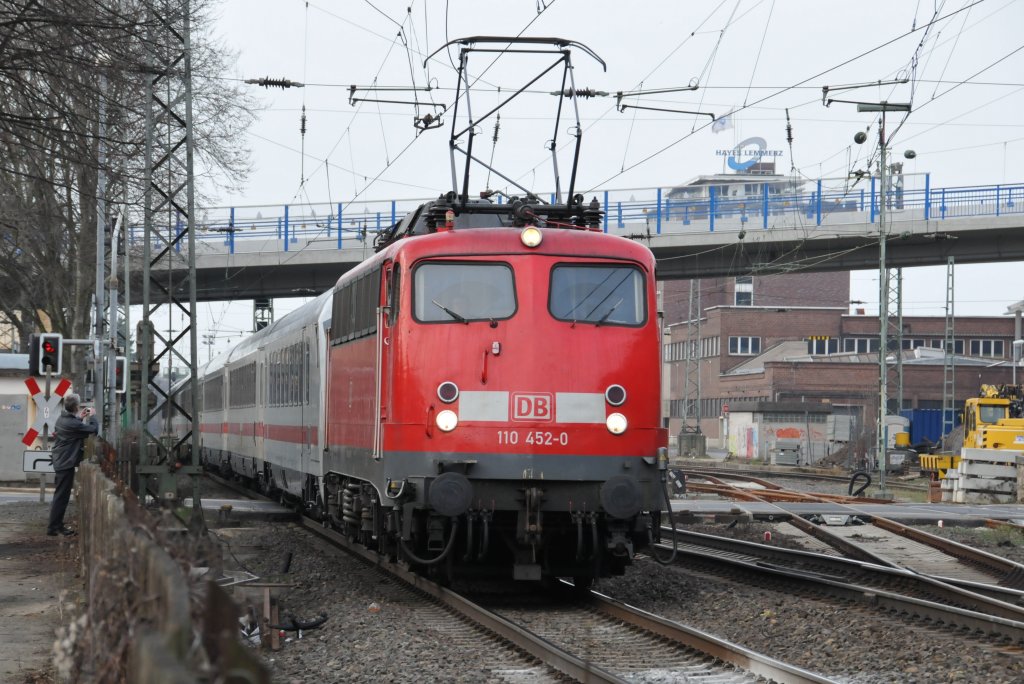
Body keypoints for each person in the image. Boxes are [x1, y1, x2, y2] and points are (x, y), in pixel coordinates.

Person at [47, 393, 98, 537]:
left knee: (60, 495)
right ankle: (54, 527)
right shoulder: (72, 424)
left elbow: (73, 427)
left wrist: (80, 417)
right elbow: (93, 430)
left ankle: (56, 525)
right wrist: (92, 416)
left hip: (61, 460)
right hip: (65, 462)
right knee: (61, 496)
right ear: (76, 406)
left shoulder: (62, 419)